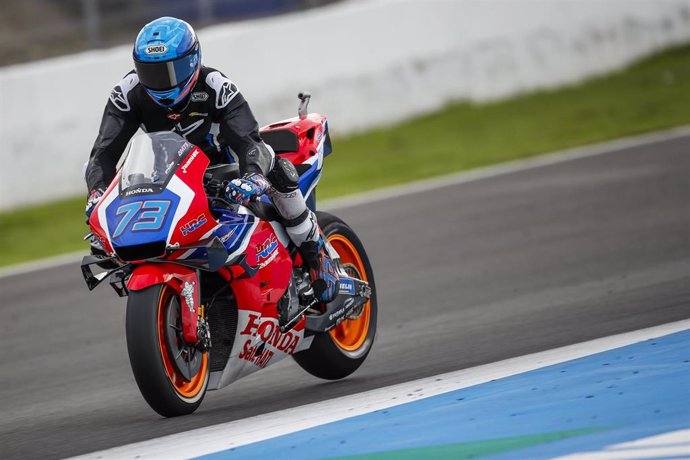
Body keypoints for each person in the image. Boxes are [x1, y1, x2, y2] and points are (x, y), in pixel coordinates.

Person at [84, 17, 338, 302]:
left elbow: (248, 139)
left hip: (225, 171)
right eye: (150, 72)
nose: (161, 81)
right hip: (167, 177)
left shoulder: (215, 85)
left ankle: (315, 254)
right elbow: (103, 155)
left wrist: (252, 175)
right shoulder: (128, 93)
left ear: (192, 61)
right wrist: (96, 192)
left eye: (170, 70)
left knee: (277, 168)